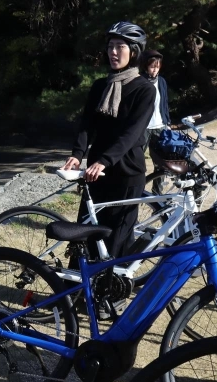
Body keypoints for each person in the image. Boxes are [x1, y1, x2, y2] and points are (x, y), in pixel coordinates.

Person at [62, 21, 156, 265]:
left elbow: (132, 133)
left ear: (134, 51)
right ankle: (75, 293)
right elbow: (86, 125)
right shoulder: (100, 87)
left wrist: (104, 161)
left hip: (126, 173)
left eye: (120, 46)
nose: (113, 52)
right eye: (110, 46)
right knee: (85, 235)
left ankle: (107, 294)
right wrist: (77, 154)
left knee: (116, 241)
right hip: (96, 173)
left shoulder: (144, 89)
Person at [141, 49, 171, 148]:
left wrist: (167, 122)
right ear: (146, 66)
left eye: (157, 67)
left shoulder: (162, 81)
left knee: (161, 158)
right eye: (152, 67)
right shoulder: (140, 82)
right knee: (138, 156)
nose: (155, 70)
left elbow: (164, 103)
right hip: (144, 127)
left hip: (160, 125)